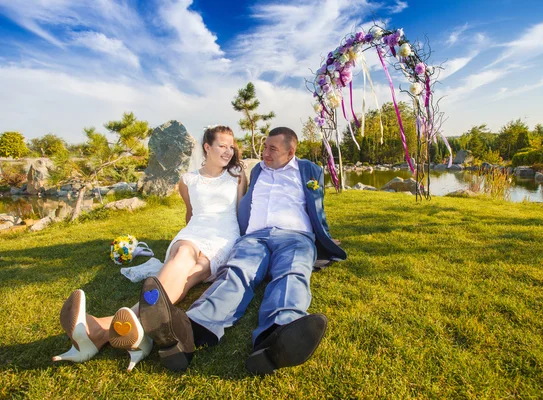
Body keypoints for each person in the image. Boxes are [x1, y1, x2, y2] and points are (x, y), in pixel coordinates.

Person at [138, 126, 347, 374]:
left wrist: (325, 238)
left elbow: (317, 208)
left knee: (292, 272)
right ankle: (193, 328)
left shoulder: (309, 171)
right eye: (265, 146)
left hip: (295, 236)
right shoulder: (257, 170)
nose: (265, 153)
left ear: (291, 152)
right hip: (254, 237)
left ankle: (278, 332)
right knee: (237, 273)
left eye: (273, 149)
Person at [52, 125, 247, 371]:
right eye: (222, 145)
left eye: (232, 146)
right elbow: (190, 214)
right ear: (207, 147)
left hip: (224, 235)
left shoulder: (237, 175)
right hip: (195, 231)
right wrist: (188, 240)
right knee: (182, 256)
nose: (229, 151)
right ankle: (129, 329)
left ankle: (104, 329)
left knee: (194, 272)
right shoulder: (188, 180)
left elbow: (242, 211)